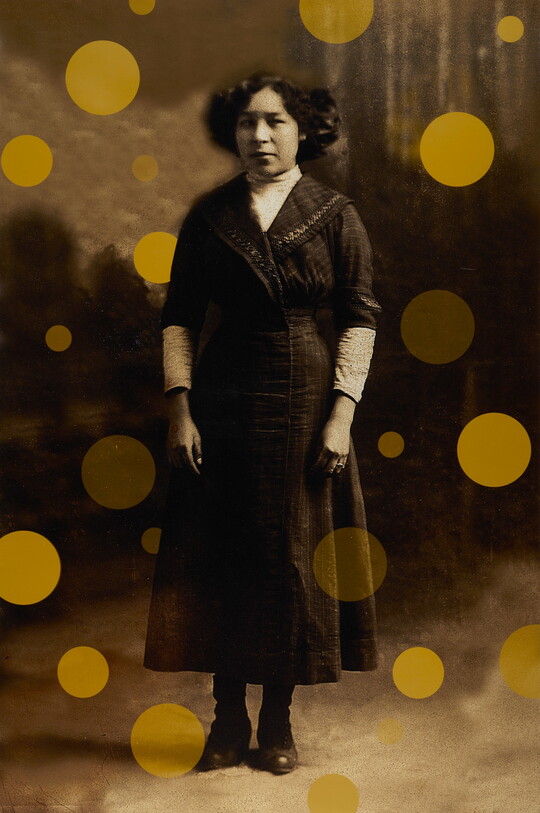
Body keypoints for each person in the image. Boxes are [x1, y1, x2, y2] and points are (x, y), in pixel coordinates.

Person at [144, 74, 381, 774]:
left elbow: (360, 319)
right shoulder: (210, 215)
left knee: (290, 552)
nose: (260, 136)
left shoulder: (335, 215)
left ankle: (277, 720)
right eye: (248, 123)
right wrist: (181, 408)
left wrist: (341, 415)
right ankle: (226, 719)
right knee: (223, 551)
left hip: (305, 395)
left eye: (275, 122)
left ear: (303, 130)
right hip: (223, 396)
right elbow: (180, 318)